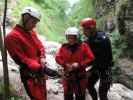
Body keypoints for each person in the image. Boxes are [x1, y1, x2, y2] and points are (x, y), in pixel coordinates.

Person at [5, 6, 60, 100]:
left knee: (43, 97)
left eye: (36, 23)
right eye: (33, 22)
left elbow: (40, 46)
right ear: (25, 19)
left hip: (40, 73)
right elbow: (21, 59)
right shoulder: (12, 37)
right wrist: (41, 68)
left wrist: (42, 57)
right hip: (30, 75)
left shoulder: (31, 32)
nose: (34, 25)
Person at [55, 27, 94, 100]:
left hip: (80, 77)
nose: (71, 40)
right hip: (68, 76)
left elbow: (90, 58)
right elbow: (57, 57)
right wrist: (65, 64)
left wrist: (79, 64)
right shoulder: (64, 47)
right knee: (67, 96)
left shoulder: (84, 46)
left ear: (77, 37)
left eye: (73, 38)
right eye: (69, 37)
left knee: (80, 96)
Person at [80, 17, 114, 100]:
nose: (83, 32)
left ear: (91, 29)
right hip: (96, 67)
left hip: (105, 68)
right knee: (89, 84)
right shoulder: (92, 38)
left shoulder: (102, 40)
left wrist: (89, 70)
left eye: (85, 30)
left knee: (102, 93)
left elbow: (101, 60)